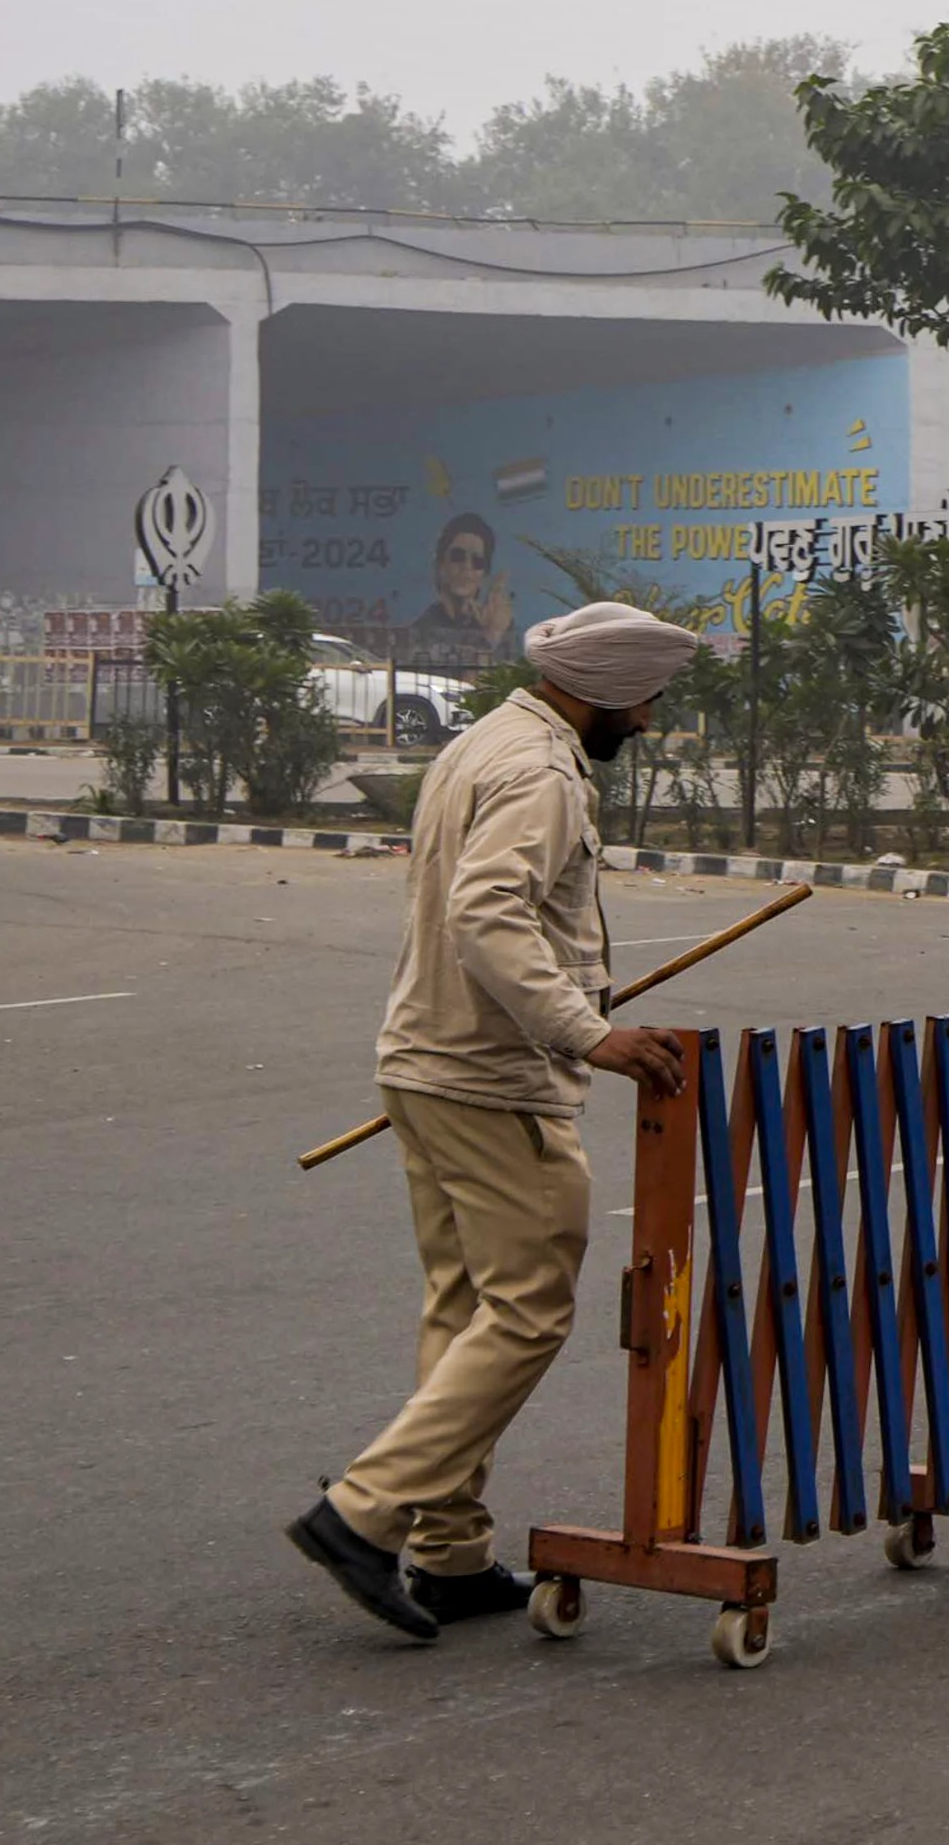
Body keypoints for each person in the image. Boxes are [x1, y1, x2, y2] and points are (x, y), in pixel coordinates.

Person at [286, 599, 702, 1639]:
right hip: (490, 1079)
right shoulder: (543, 773)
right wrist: (587, 1032)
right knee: (527, 1310)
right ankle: (363, 1513)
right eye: (645, 701)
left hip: (427, 1064)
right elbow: (487, 912)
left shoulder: (483, 742)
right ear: (609, 691)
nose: (648, 720)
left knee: (465, 1307)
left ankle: (450, 1552)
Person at [407, 512, 512, 657]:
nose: (466, 567)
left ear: (483, 575)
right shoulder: (421, 632)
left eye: (477, 561)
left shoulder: (498, 624)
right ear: (440, 565)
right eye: (458, 556)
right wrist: (490, 638)